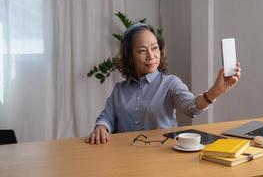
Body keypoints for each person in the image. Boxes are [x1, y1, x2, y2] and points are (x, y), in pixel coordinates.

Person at [86, 23, 241, 144]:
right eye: (142, 50)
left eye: (154, 48)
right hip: (124, 156)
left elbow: (191, 108)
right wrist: (101, 127)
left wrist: (215, 91)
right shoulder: (119, 90)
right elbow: (106, 117)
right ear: (130, 57)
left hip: (161, 155)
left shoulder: (171, 83)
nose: (151, 55)